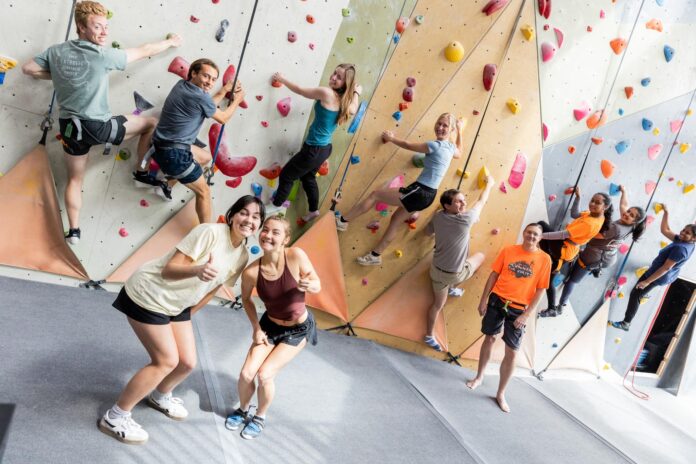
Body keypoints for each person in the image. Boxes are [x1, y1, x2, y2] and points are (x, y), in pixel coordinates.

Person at [98, 195, 264, 445]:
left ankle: (160, 395)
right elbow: (169, 270)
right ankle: (115, 416)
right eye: (243, 213)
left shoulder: (241, 255)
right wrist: (197, 270)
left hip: (177, 304)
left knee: (186, 362)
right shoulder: (209, 233)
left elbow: (212, 289)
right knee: (165, 361)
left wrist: (183, 317)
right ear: (232, 215)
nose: (248, 220)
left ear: (259, 224)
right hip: (150, 293)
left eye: (255, 216)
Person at [22, 1, 182, 244]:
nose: (105, 32)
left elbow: (28, 68)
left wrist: (57, 75)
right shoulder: (103, 55)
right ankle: (140, 172)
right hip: (98, 127)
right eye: (98, 26)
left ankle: (74, 231)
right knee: (149, 123)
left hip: (69, 129)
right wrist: (170, 41)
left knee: (75, 179)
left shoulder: (55, 52)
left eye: (106, 26)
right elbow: (145, 50)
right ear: (81, 27)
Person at [225, 215, 320, 440]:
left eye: (276, 232)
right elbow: (246, 299)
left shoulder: (296, 256)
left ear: (285, 239)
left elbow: (316, 283)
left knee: (265, 375)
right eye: (265, 230)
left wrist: (310, 285)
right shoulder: (251, 271)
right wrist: (256, 328)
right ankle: (243, 409)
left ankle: (260, 416)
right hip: (269, 326)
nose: (268, 235)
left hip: (297, 329)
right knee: (247, 373)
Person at [336, 113, 464, 265]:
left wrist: (391, 138)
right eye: (439, 123)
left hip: (420, 191)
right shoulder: (450, 148)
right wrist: (460, 131)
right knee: (396, 220)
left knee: (376, 195)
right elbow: (460, 152)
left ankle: (343, 221)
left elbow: (409, 145)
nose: (440, 127)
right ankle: (375, 255)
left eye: (445, 126)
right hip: (428, 195)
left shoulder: (434, 145)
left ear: (450, 130)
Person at [143, 58, 245, 224]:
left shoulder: (181, 85)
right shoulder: (200, 97)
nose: (209, 82)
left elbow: (207, 106)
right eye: (206, 76)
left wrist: (224, 89)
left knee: (205, 157)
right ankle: (206, 231)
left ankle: (166, 185)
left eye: (213, 79)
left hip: (163, 146)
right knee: (203, 192)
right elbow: (223, 118)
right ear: (193, 73)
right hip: (175, 154)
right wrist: (238, 100)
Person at [466, 223, 551, 413]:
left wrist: (526, 314)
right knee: (489, 338)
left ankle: (501, 393)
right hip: (497, 301)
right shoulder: (508, 250)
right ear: (524, 233)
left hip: (519, 309)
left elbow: (541, 289)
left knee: (512, 352)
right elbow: (493, 275)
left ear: (540, 238)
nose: (531, 236)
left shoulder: (545, 259)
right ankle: (479, 377)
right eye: (529, 232)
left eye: (535, 234)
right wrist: (483, 300)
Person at [270, 65, 362, 222]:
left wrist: (282, 79)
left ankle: (275, 206)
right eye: (334, 73)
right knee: (308, 178)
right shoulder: (345, 102)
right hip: (325, 149)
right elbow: (353, 108)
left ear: (345, 83)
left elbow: (300, 90)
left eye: (339, 77)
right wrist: (356, 93)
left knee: (287, 175)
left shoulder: (326, 93)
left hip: (313, 150)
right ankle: (313, 210)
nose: (333, 77)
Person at [422, 177, 494, 351]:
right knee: (480, 257)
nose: (463, 204)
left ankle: (429, 336)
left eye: (463, 200)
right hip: (454, 274)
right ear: (447, 205)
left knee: (437, 305)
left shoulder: (439, 216)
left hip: (436, 272)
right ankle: (454, 286)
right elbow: (482, 200)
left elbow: (427, 232)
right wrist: (489, 184)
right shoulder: (466, 219)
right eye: (458, 202)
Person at [558, 185, 646, 309]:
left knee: (572, 280)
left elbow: (592, 234)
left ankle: (561, 305)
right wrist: (624, 191)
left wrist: (573, 229)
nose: (627, 214)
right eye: (629, 212)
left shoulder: (616, 228)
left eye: (631, 216)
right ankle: (591, 269)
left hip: (595, 257)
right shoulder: (631, 226)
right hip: (608, 256)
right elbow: (624, 206)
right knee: (581, 262)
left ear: (635, 222)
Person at [610, 207, 695, 331]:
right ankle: (642, 296)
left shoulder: (681, 249)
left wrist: (647, 281)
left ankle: (626, 323)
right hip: (659, 272)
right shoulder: (685, 242)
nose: (682, 233)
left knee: (636, 294)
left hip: (659, 275)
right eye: (683, 230)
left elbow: (666, 268)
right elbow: (665, 230)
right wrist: (666, 213)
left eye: (687, 233)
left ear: (694, 238)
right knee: (638, 293)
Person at [537, 189, 613, 317]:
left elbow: (563, 234)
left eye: (597, 203)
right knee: (548, 279)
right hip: (567, 247)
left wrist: (539, 236)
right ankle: (551, 307)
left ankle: (551, 261)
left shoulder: (590, 223)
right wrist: (578, 197)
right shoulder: (596, 215)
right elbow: (574, 214)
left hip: (565, 248)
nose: (593, 204)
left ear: (605, 207)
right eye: (592, 200)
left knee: (540, 225)